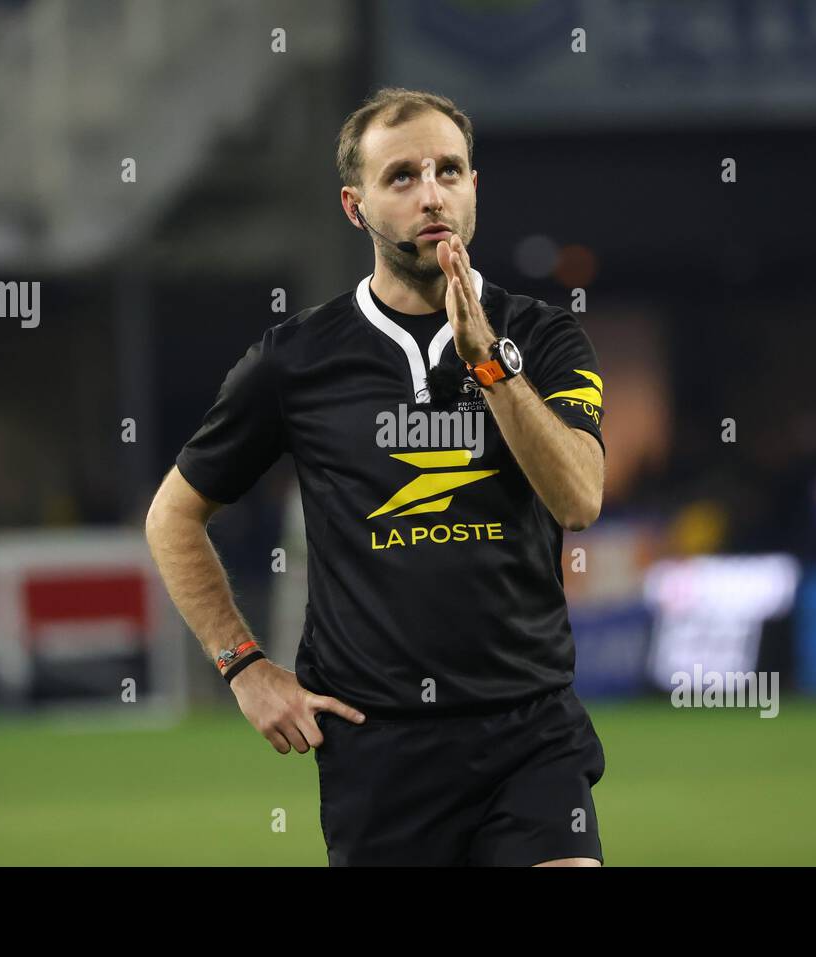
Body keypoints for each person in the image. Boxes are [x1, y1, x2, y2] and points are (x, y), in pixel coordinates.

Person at [146, 87, 607, 866]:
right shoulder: (296, 359)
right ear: (354, 207)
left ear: (473, 187)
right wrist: (244, 668)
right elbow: (172, 516)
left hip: (529, 730)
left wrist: (489, 364)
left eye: (449, 170)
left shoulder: (543, 336)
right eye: (401, 177)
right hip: (379, 748)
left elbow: (580, 497)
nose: (432, 194)